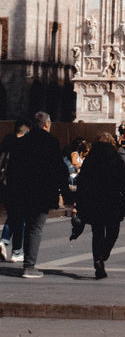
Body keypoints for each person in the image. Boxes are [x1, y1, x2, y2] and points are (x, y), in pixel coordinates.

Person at [4, 112, 69, 277]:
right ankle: (29, 266)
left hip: (21, 191)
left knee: (27, 226)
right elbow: (60, 169)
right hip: (42, 192)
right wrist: (65, 193)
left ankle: (26, 262)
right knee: (35, 228)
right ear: (46, 124)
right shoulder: (51, 142)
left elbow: (12, 168)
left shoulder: (22, 141)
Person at [72, 132, 125, 278]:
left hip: (94, 201)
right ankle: (103, 255)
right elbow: (123, 179)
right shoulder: (115, 158)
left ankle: (97, 262)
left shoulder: (90, 159)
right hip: (112, 201)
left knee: (97, 233)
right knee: (113, 232)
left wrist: (80, 200)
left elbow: (82, 181)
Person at [0, 116, 31, 263]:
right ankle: (17, 251)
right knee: (20, 219)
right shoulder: (26, 144)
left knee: (12, 215)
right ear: (27, 129)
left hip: (6, 185)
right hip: (22, 186)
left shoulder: (7, 141)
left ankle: (4, 241)